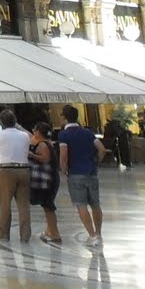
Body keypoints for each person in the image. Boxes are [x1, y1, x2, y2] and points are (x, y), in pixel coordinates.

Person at [58, 104, 106, 248]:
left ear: (65, 118)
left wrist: (64, 169)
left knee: (81, 205)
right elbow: (102, 149)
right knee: (95, 204)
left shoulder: (64, 135)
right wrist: (96, 162)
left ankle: (92, 236)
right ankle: (98, 233)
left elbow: (64, 156)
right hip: (91, 172)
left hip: (75, 173)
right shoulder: (88, 133)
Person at [0, 109, 32, 244]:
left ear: (1, 122)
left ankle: (3, 232)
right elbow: (33, 138)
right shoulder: (24, 136)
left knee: (5, 203)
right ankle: (25, 235)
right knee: (24, 205)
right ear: (15, 121)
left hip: (6, 170)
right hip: (24, 170)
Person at [28, 121, 63, 244]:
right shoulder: (46, 142)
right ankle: (50, 230)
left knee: (48, 206)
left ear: (38, 132)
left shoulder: (43, 144)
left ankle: (54, 233)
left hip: (49, 179)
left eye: (34, 130)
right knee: (47, 205)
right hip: (50, 178)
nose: (33, 132)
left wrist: (31, 155)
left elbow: (45, 159)